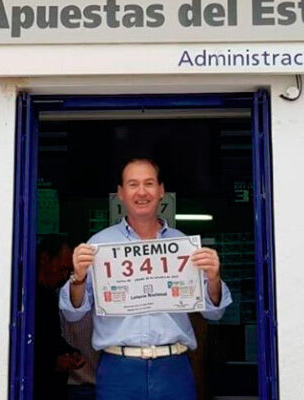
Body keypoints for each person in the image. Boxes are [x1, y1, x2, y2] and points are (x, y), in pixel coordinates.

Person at [59, 158, 232, 400]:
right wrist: (78, 279)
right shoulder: (98, 245)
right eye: (133, 184)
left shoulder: (183, 244)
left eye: (149, 183)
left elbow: (215, 312)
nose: (142, 192)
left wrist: (213, 278)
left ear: (161, 190)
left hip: (173, 368)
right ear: (120, 193)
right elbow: (72, 314)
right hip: (118, 369)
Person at [35, 235, 86, 399]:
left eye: (69, 272)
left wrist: (70, 352)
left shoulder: (49, 295)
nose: (65, 277)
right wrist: (52, 362)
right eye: (62, 269)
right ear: (45, 259)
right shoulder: (19, 295)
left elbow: (52, 338)